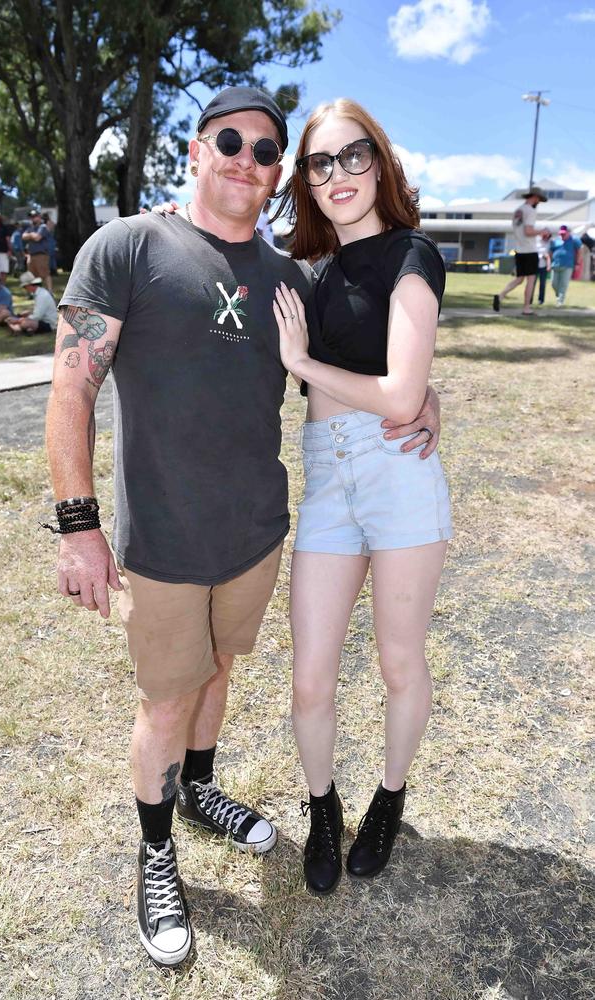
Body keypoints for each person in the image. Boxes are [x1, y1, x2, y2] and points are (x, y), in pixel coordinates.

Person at [45, 86, 442, 968]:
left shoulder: (288, 279)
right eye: (230, 140)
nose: (246, 160)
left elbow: (360, 367)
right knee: (167, 695)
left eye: (267, 152)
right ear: (195, 150)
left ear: (276, 180)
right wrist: (78, 525)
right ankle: (156, 851)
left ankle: (202, 789)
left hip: (258, 534)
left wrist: (431, 400)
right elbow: (72, 380)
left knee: (220, 668)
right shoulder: (126, 247)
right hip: (163, 542)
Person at [270, 98, 452, 896]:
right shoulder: (300, 273)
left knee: (398, 660)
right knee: (311, 676)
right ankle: (322, 807)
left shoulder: (415, 254)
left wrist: (304, 367)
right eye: (320, 163)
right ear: (305, 180)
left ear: (378, 162)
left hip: (398, 473)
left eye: (353, 157)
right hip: (327, 483)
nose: (338, 175)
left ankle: (389, 796)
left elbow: (404, 392)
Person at [493, 186, 549, 316]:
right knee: (530, 280)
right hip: (530, 250)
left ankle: (500, 296)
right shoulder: (530, 211)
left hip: (519, 250)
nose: (538, 202)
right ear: (535, 197)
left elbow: (521, 231)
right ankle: (526, 308)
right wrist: (542, 231)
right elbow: (528, 231)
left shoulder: (518, 210)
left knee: (519, 279)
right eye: (539, 200)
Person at [6, 270, 57, 334]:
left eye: (25, 287)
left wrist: (18, 320)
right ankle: (25, 329)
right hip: (42, 321)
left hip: (48, 324)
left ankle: (19, 328)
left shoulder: (42, 295)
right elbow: (37, 311)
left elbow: (37, 316)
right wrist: (26, 314)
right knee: (23, 320)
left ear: (29, 285)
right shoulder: (39, 293)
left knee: (25, 323)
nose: (25, 289)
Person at [550, 224, 583, 306]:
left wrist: (578, 263)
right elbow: (551, 251)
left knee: (563, 284)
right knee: (553, 283)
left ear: (569, 232)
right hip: (555, 265)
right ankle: (559, 295)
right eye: (561, 233)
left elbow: (580, 251)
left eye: (564, 233)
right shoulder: (556, 240)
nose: (562, 235)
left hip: (568, 265)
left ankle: (560, 301)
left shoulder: (574, 240)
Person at [23, 209, 53, 292]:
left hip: (41, 255)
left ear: (39, 217)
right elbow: (23, 236)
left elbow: (37, 238)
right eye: (31, 217)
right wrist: (32, 234)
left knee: (45, 274)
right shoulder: (30, 228)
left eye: (35, 216)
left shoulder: (43, 227)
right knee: (33, 276)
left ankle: (49, 291)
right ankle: (37, 292)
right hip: (31, 255)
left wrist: (30, 236)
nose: (33, 218)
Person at [535, 232, 551, 305]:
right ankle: (529, 299)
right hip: (535, 265)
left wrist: (548, 265)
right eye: (545, 236)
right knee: (532, 283)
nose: (546, 238)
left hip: (543, 266)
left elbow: (549, 255)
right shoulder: (536, 241)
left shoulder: (549, 243)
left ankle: (541, 300)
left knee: (542, 284)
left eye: (548, 237)